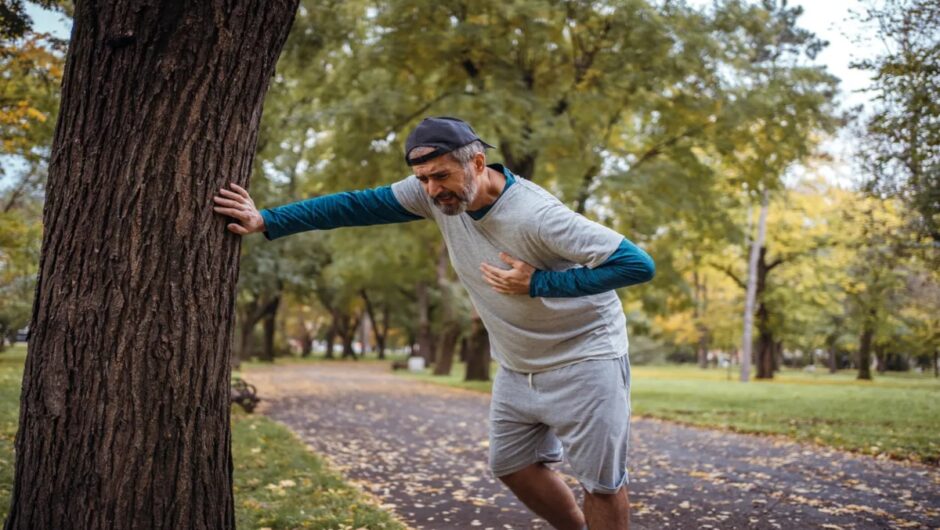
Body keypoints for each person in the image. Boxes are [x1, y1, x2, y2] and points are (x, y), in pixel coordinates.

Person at [213, 116, 654, 530]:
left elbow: (637, 264)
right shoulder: (435, 195)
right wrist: (268, 219)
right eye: (423, 179)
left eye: (441, 176)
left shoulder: (537, 215)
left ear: (477, 163)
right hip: (519, 365)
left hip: (585, 357)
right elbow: (354, 206)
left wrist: (539, 283)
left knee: (602, 483)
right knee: (512, 465)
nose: (431, 189)